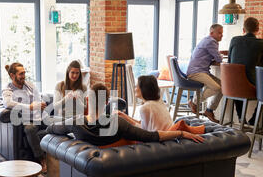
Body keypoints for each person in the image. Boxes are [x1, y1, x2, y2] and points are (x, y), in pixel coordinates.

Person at [46, 83, 204, 146]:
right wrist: (181, 132)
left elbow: (53, 129)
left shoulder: (75, 123)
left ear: (87, 100)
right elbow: (151, 136)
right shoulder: (118, 124)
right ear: (107, 101)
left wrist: (46, 129)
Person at [228, 17, 263, 125]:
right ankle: (253, 121)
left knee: (238, 85)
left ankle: (241, 118)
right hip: (250, 86)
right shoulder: (262, 43)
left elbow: (229, 61)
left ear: (243, 30)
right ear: (258, 29)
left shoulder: (234, 40)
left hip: (231, 87)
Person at [116, 75, 205, 134]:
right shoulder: (158, 101)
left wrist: (124, 120)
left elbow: (144, 132)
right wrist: (123, 115)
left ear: (143, 89)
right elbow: (141, 123)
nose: (134, 89)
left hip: (160, 141)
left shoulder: (146, 107)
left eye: (136, 86)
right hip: (168, 135)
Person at [2, 62, 48, 173]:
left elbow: (38, 98)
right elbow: (8, 104)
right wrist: (30, 107)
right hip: (28, 120)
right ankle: (42, 159)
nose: (24, 76)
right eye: (21, 74)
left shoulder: (30, 85)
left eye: (24, 73)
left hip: (41, 117)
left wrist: (41, 104)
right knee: (29, 129)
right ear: (13, 76)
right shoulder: (8, 89)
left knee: (60, 123)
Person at [186, 24, 224, 123]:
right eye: (219, 33)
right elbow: (219, 58)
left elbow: (215, 56)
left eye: (222, 33)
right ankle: (194, 102)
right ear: (211, 33)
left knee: (223, 87)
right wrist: (219, 55)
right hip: (196, 72)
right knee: (217, 88)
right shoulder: (211, 41)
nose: (221, 35)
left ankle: (209, 110)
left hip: (200, 71)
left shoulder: (207, 40)